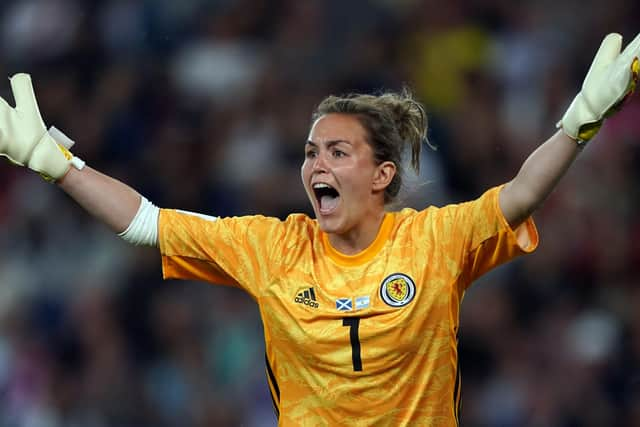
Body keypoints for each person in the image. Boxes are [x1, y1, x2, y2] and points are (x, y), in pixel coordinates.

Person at [0, 32, 638, 426]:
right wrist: (59, 166)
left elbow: (522, 193)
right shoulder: (273, 248)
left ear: (382, 174)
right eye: (310, 152)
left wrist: (581, 119)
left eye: (337, 151)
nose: (315, 165)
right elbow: (149, 224)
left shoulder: (436, 241)